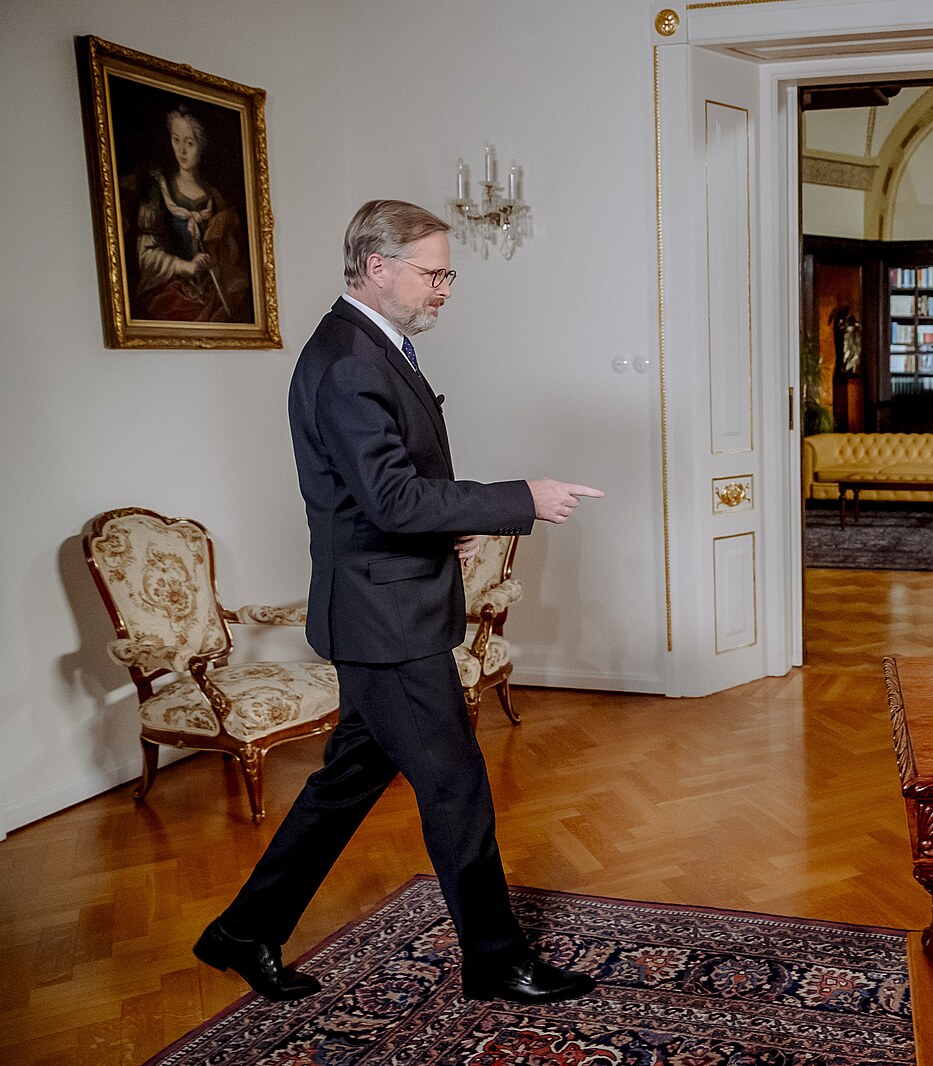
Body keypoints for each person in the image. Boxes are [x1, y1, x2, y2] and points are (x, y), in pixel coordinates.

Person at [193, 199, 603, 1006]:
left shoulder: (373, 347)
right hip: (384, 621)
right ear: (377, 266)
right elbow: (389, 499)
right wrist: (517, 498)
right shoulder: (350, 360)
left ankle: (245, 930)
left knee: (348, 779)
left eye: (448, 275)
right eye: (434, 274)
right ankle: (495, 960)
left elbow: (382, 493)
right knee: (457, 787)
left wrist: (447, 525)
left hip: (382, 604)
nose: (445, 289)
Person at [132, 107, 250, 322]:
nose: (182, 151)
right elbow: (146, 255)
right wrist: (186, 266)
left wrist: (216, 260)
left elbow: (232, 256)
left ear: (201, 146)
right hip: (173, 292)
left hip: (213, 293)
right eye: (176, 140)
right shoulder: (159, 190)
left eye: (189, 143)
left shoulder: (215, 198)